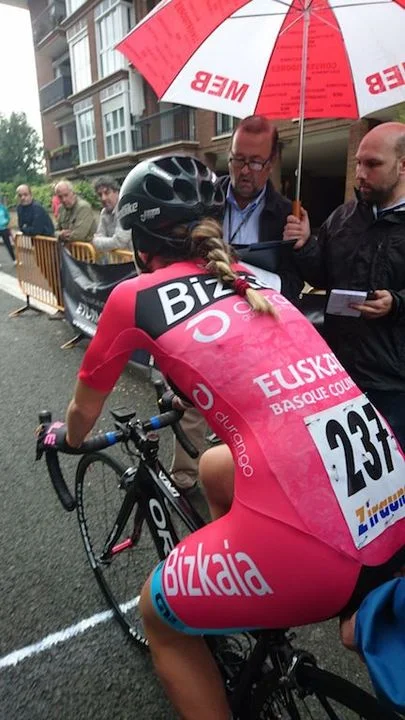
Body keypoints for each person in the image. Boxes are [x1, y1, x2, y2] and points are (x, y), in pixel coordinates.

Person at [40, 155, 404, 720]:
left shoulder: (134, 297)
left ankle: (246, 590)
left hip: (316, 547)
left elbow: (82, 417)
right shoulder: (253, 282)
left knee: (156, 617)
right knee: (214, 466)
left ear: (141, 245)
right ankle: (247, 600)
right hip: (390, 500)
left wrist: (63, 437)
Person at [172, 115, 305, 491]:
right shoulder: (203, 200)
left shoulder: (289, 213)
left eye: (255, 162)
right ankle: (183, 481)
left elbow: (298, 281)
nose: (244, 171)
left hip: (257, 335)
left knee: (253, 414)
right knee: (192, 402)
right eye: (237, 159)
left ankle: (245, 484)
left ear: (272, 161)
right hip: (205, 323)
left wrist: (304, 244)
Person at [283, 121, 405, 451]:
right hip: (339, 373)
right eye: (358, 163)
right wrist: (305, 244)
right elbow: (321, 277)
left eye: (372, 164)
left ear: (403, 165)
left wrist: (396, 303)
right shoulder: (343, 216)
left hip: (393, 385)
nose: (361, 174)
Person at [92, 175, 132, 255]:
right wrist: (97, 241)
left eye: (107, 193)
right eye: (100, 195)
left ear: (116, 192)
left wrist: (98, 241)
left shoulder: (125, 208)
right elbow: (97, 238)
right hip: (116, 260)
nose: (103, 198)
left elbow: (120, 241)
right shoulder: (104, 212)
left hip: (132, 259)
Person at [55, 180, 97, 244]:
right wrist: (60, 234)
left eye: (66, 195)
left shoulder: (83, 207)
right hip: (68, 249)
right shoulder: (61, 208)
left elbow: (79, 235)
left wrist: (60, 235)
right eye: (60, 197)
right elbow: (54, 230)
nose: (64, 200)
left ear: (73, 193)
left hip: (85, 249)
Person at [0, 196, 16, 264]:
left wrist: (5, 222)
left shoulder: (3, 208)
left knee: (8, 245)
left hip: (4, 229)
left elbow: (8, 217)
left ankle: (14, 260)